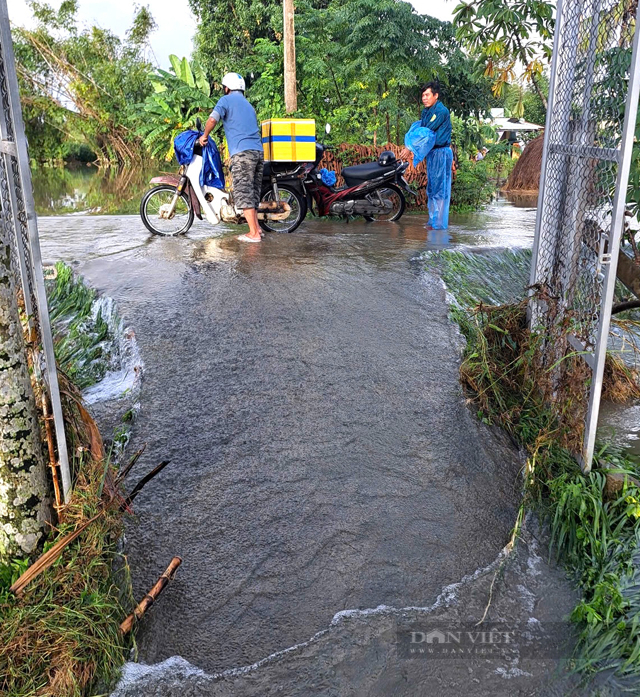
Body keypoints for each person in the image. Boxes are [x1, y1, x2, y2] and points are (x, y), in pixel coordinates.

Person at [199, 72, 264, 242]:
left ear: (226, 88)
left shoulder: (225, 100)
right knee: (254, 192)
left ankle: (253, 234)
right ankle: (257, 228)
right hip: (258, 152)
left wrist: (204, 136)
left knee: (243, 191)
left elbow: (213, 119)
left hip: (242, 153)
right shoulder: (249, 105)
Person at [401, 82, 453, 230]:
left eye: (427, 95)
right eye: (423, 95)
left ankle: (439, 224)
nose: (424, 98)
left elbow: (426, 132)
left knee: (440, 189)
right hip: (433, 153)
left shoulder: (441, 111)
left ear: (436, 96)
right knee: (432, 188)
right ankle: (433, 221)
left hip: (441, 152)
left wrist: (409, 147)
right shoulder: (426, 111)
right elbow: (420, 129)